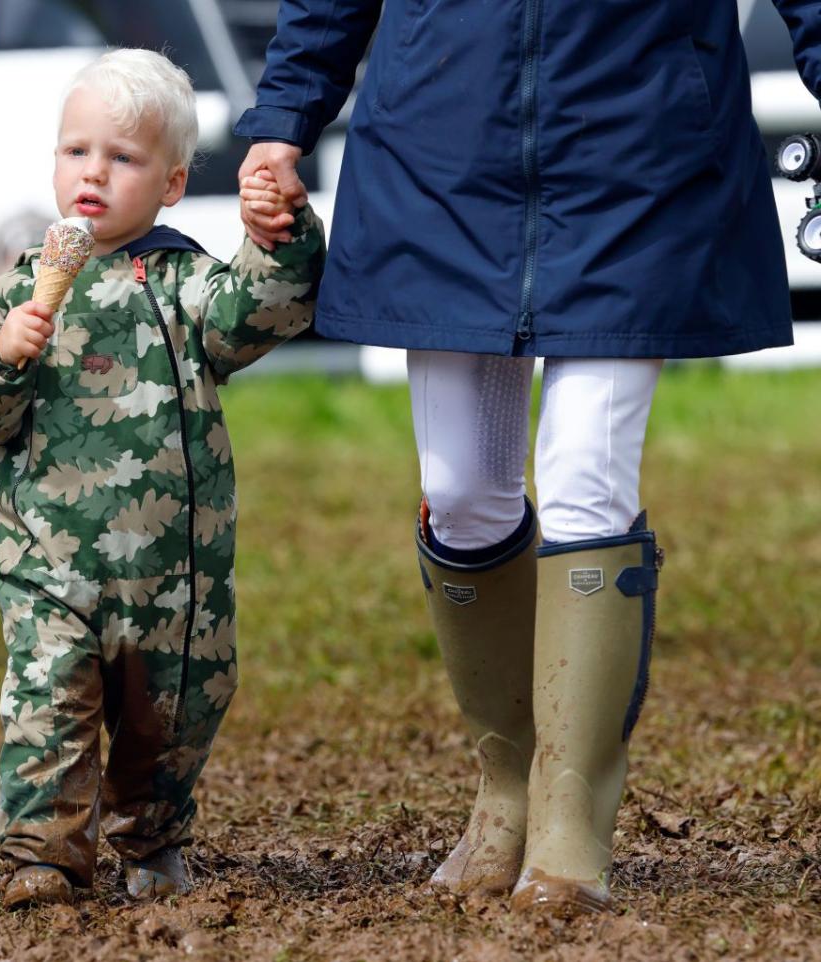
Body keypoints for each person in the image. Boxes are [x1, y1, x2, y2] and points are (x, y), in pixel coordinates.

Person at [235, 1, 808, 915]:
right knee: (460, 492)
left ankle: (570, 812)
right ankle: (504, 784)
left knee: (587, 480)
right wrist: (282, 120)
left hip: (641, 154)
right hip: (442, 158)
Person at [0, 48, 325, 909]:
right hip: (49, 565)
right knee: (47, 708)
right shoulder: (22, 289)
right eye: (77, 152)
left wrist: (277, 234)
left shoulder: (183, 282)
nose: (93, 174)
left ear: (172, 183)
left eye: (124, 157)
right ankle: (44, 856)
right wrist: (2, 357)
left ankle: (152, 839)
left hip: (173, 578)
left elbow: (258, 313)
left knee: (171, 718)